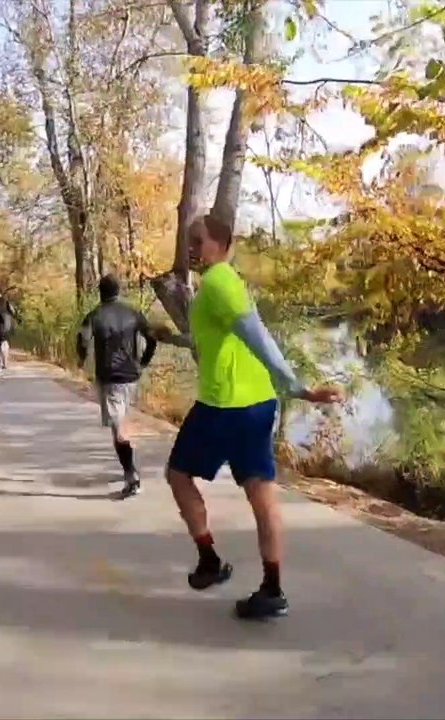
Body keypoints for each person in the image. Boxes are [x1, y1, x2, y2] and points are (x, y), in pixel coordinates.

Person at [161, 214, 342, 621]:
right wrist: (170, 337)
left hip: (224, 406)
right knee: (262, 494)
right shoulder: (225, 283)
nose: (191, 247)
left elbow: (257, 336)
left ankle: (209, 560)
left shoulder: (220, 281)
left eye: (198, 240)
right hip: (258, 404)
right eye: (188, 240)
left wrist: (300, 388)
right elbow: (216, 338)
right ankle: (272, 590)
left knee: (177, 474)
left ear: (221, 243)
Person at [77, 274, 157, 497]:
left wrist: (81, 360)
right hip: (132, 376)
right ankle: (129, 467)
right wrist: (143, 362)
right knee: (122, 423)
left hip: (111, 378)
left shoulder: (95, 315)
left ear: (100, 292)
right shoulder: (133, 313)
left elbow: (82, 340)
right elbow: (151, 338)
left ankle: (132, 477)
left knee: (119, 430)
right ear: (118, 291)